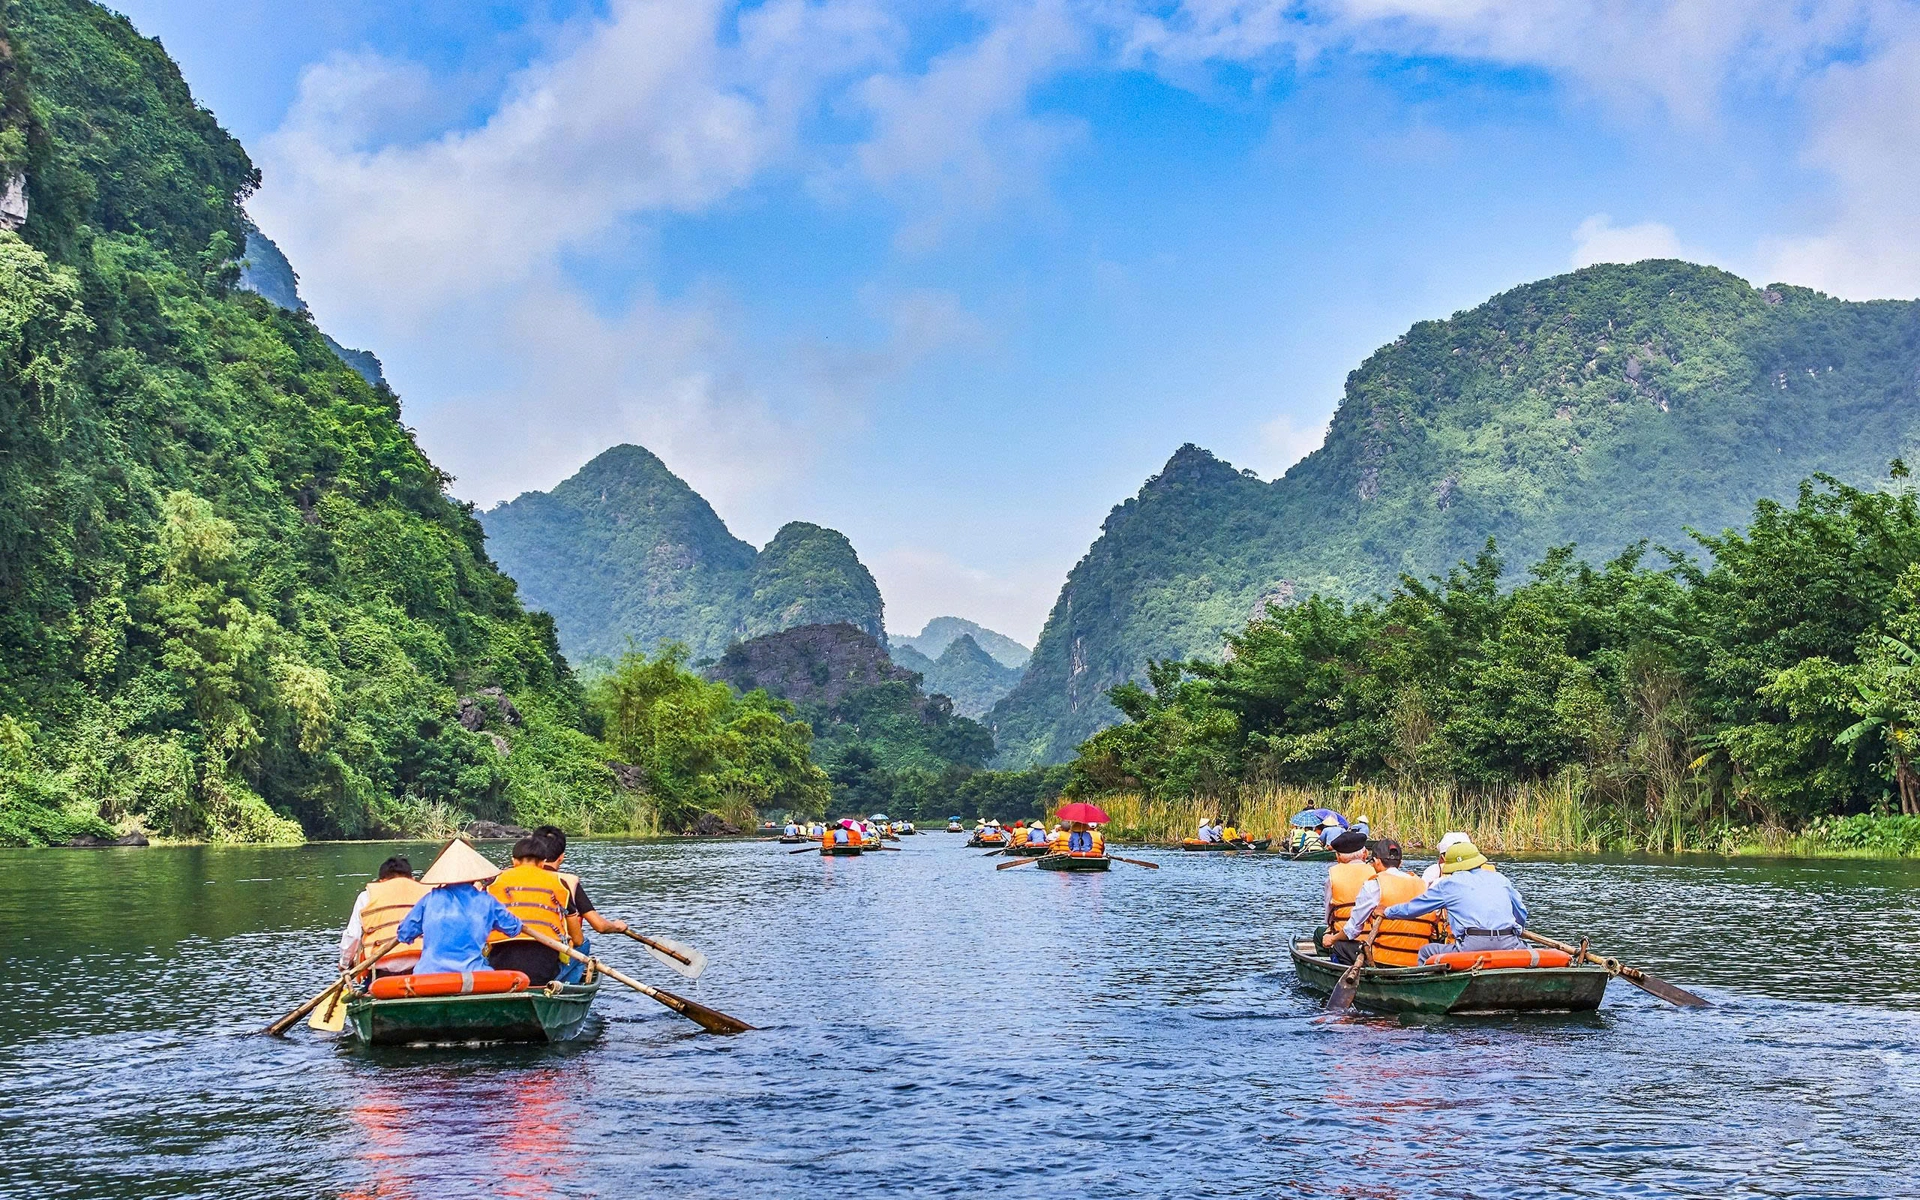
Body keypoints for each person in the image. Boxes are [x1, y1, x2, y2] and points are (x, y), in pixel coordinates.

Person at [1380, 840, 1529, 963]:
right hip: (1509, 942)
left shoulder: (1449, 884)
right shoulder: (1501, 879)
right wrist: (1517, 931)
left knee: (1427, 952)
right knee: (1528, 950)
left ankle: (1426, 994)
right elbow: (1521, 912)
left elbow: (1413, 909)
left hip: (1472, 945)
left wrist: (1387, 911)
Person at [392, 839, 522, 976]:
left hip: (429, 975)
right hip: (474, 975)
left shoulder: (429, 900)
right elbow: (514, 927)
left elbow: (404, 934)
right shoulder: (487, 902)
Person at [534, 824, 629, 986]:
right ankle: (566, 988)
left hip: (510, 950)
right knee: (583, 944)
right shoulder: (565, 882)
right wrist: (617, 926)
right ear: (561, 857)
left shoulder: (507, 879)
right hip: (550, 955)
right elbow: (599, 926)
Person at [486, 835, 580, 986]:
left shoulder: (493, 883)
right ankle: (565, 989)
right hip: (544, 970)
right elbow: (578, 939)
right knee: (583, 946)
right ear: (543, 863)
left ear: (514, 861)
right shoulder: (559, 883)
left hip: (501, 969)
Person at [1333, 840, 1441, 967]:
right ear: (1400, 863)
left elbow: (1352, 930)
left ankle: (1355, 980)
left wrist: (1333, 939)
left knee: (1340, 946)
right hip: (1419, 960)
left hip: (1384, 961)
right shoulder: (1423, 885)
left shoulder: (1374, 885)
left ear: (1377, 861)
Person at [338, 855, 430, 977]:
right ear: (412, 879)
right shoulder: (428, 894)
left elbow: (353, 935)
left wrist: (344, 964)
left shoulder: (367, 896)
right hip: (422, 971)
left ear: (381, 882)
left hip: (381, 974)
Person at [1318, 829, 1375, 955]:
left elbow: (1328, 916)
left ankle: (1330, 963)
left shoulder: (1332, 876)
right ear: (1365, 854)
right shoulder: (1376, 873)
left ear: (1337, 857)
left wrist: (1329, 929)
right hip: (1373, 937)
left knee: (1319, 934)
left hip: (1342, 937)